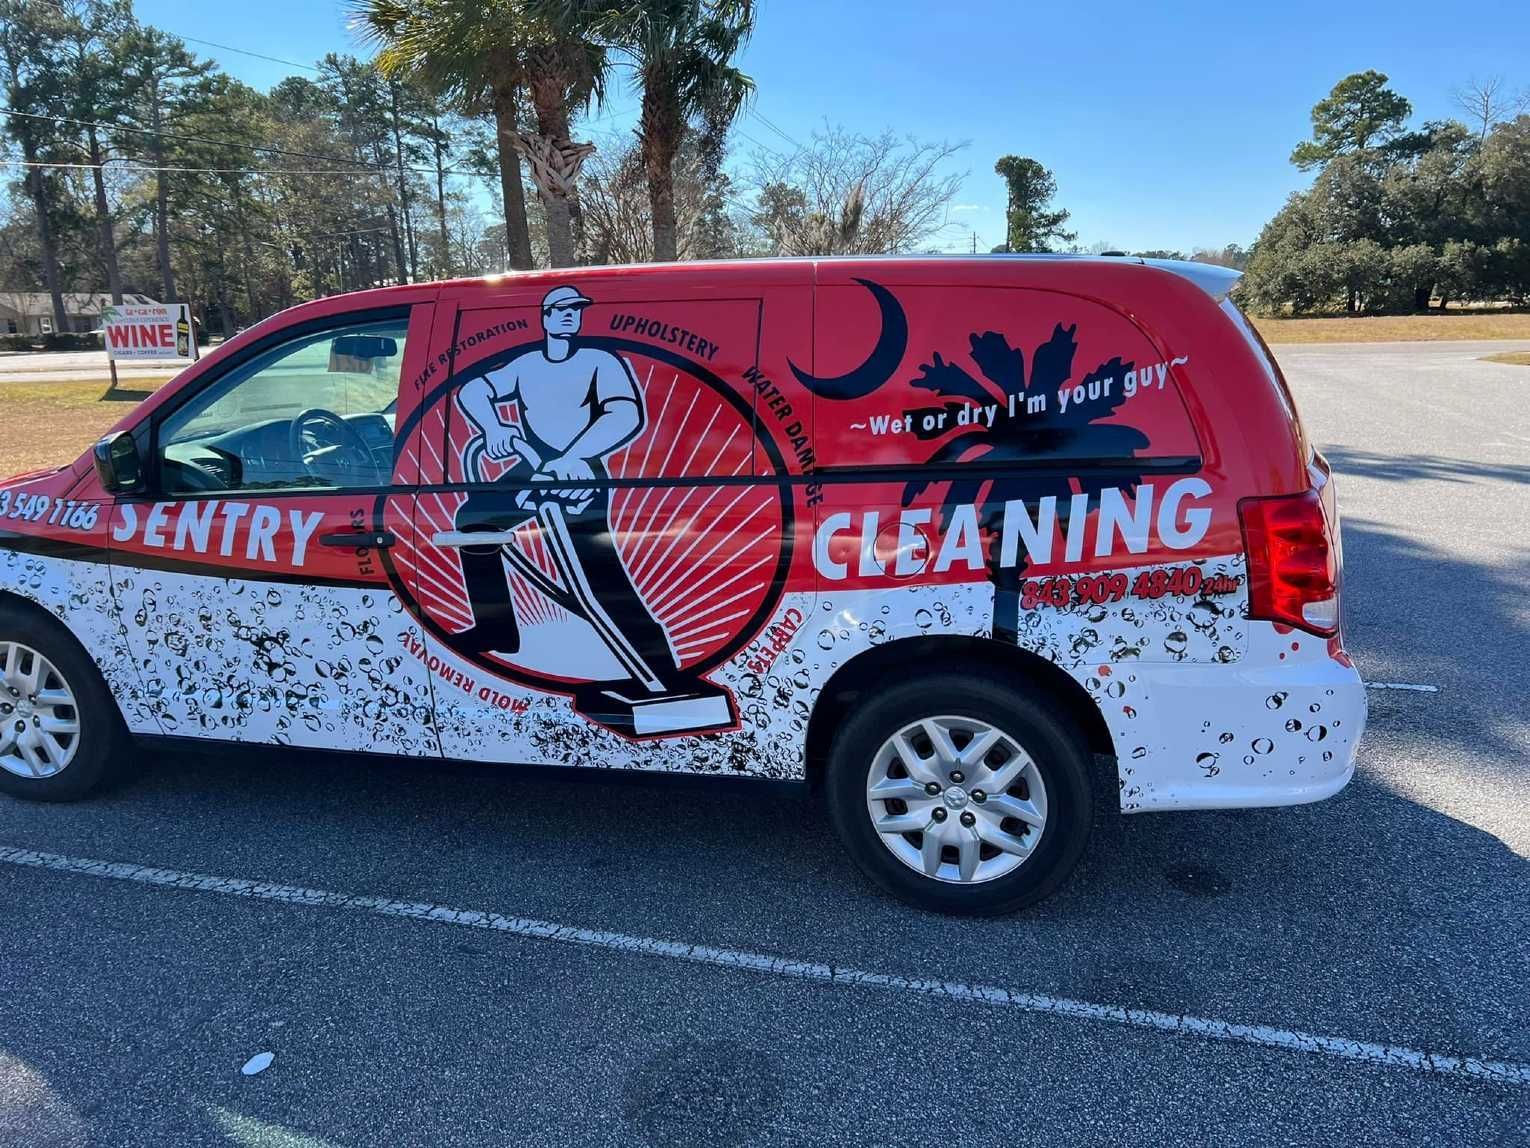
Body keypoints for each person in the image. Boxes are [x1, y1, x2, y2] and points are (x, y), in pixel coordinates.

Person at [450, 285, 677, 683]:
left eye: (576, 309)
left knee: (596, 572)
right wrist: (493, 426)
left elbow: (625, 414)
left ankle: (660, 669)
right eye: (561, 309)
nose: (570, 315)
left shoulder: (599, 362)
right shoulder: (526, 365)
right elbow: (473, 389)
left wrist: (574, 456)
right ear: (546, 318)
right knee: (474, 522)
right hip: (533, 467)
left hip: (580, 472)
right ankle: (497, 627)